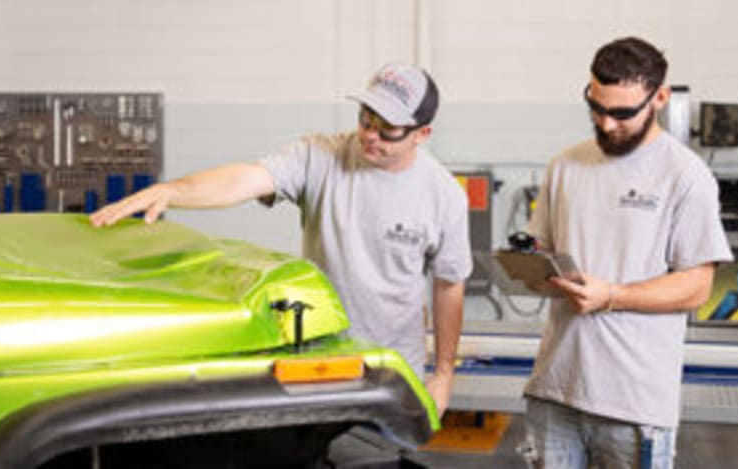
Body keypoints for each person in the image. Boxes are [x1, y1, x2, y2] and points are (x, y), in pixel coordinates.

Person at [90, 63, 472, 417]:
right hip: (319, 360)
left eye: (387, 128)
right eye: (366, 119)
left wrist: (443, 373)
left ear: (422, 134)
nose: (370, 135)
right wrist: (173, 191)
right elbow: (247, 178)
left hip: (392, 371)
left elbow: (449, 285)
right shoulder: (320, 157)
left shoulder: (443, 194)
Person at [520, 37, 733, 468]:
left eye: (622, 113)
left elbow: (697, 286)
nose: (607, 123)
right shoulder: (564, 165)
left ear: (659, 98)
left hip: (633, 404)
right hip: (555, 390)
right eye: (596, 108)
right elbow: (543, 247)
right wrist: (531, 265)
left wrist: (613, 295)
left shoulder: (686, 177)